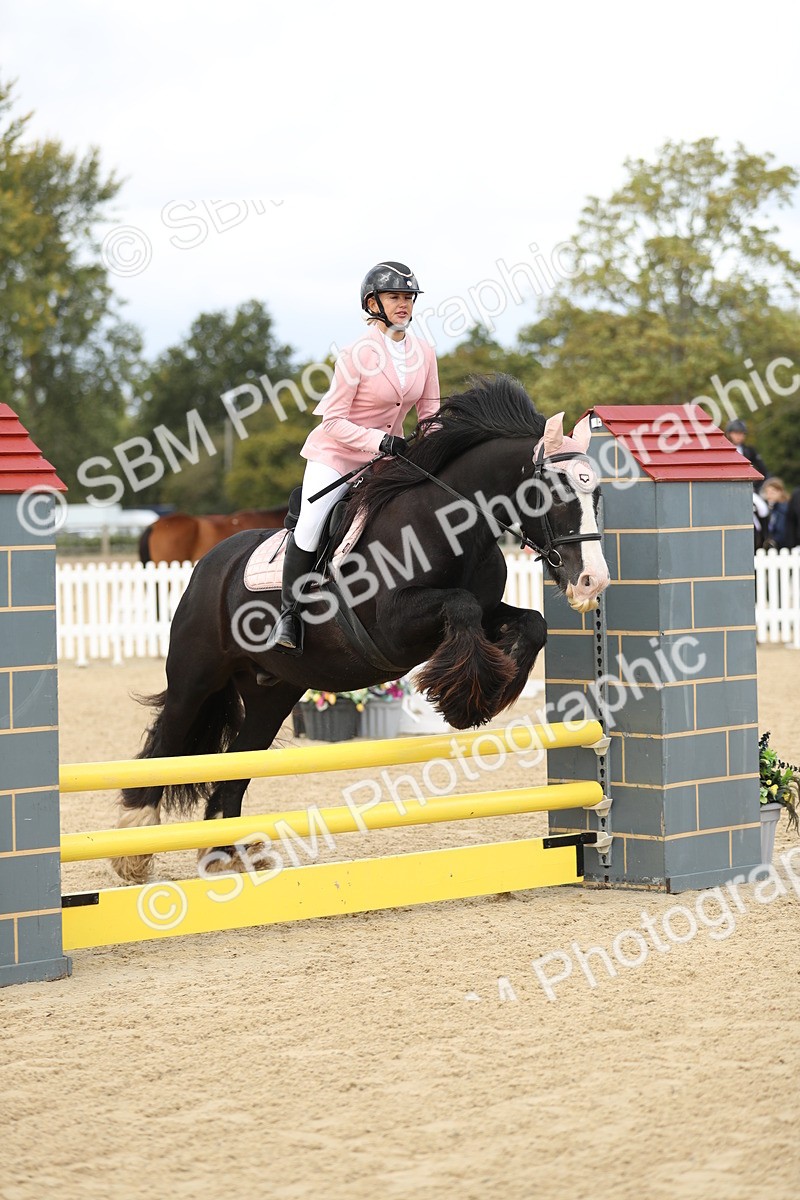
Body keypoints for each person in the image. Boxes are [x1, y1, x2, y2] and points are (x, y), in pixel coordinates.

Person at [265, 261, 441, 655]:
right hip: (338, 454)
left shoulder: (425, 352)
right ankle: (289, 613)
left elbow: (429, 416)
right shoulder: (355, 354)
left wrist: (437, 449)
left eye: (408, 298)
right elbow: (332, 421)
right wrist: (380, 441)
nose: (403, 305)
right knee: (310, 523)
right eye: (395, 296)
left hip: (389, 458)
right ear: (372, 302)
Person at [724, 418, 769, 482]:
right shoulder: (724, 451)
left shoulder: (750, 451)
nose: (739, 436)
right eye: (736, 433)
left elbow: (763, 469)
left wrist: (756, 485)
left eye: (742, 433)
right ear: (729, 434)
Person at [761, 477, 792, 550]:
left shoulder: (783, 508)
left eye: (772, 492)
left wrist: (774, 540)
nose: (769, 495)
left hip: (782, 546)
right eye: (767, 492)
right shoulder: (772, 508)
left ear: (780, 492)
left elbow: (781, 529)